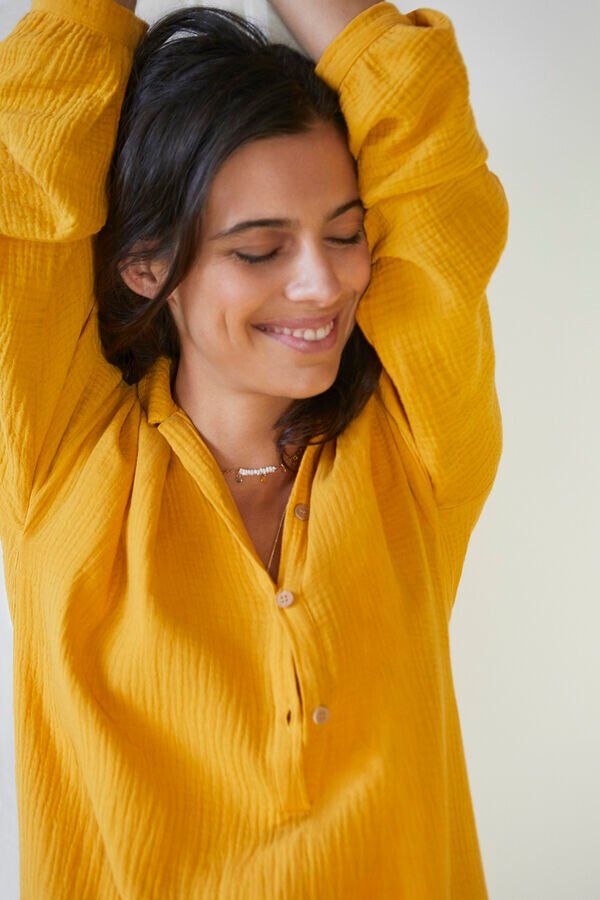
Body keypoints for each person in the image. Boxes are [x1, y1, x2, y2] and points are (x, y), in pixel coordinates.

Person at [0, 0, 509, 896]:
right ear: (146, 265)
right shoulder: (58, 464)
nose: (323, 283)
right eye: (260, 249)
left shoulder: (413, 452)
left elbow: (439, 185)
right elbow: (22, 186)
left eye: (346, 234)